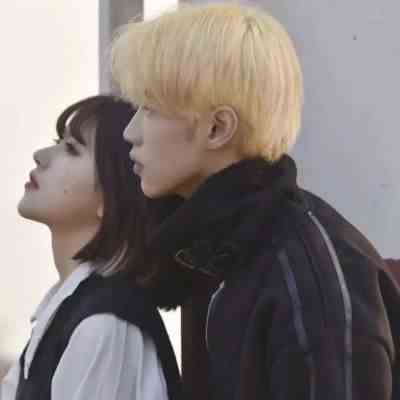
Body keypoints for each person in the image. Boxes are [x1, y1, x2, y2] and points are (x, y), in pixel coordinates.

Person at [111, 3, 400, 399]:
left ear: (218, 128)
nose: (130, 132)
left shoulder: (307, 281)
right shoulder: (216, 253)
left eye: (151, 109)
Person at [0, 95, 182, 400]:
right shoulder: (69, 312)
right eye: (58, 142)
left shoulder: (104, 324)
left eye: (72, 149)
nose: (40, 156)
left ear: (111, 197)